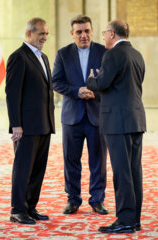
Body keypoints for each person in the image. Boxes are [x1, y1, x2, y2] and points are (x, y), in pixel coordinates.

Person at [87, 20, 146, 234]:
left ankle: (125, 220)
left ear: (112, 33)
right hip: (136, 120)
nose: (103, 37)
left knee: (122, 173)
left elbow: (102, 84)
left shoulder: (112, 54)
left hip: (117, 122)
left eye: (104, 33)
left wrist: (92, 79)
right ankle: (134, 219)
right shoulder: (137, 55)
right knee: (133, 171)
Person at [52, 15, 108, 215]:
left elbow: (111, 81)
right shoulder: (63, 54)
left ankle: (97, 200)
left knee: (98, 161)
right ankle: (73, 199)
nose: (83, 35)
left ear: (92, 31)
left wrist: (97, 91)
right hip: (72, 116)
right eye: (79, 32)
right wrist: (77, 91)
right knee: (71, 160)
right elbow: (56, 82)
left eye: (87, 31)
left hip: (96, 116)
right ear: (72, 34)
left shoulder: (104, 52)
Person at [5, 17, 55, 225]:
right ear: (29, 34)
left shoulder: (43, 57)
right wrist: (16, 124)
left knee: (37, 169)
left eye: (46, 34)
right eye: (40, 33)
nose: (44, 37)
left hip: (44, 124)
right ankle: (18, 210)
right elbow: (12, 93)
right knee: (23, 168)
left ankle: (30, 207)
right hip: (25, 126)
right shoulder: (19, 57)